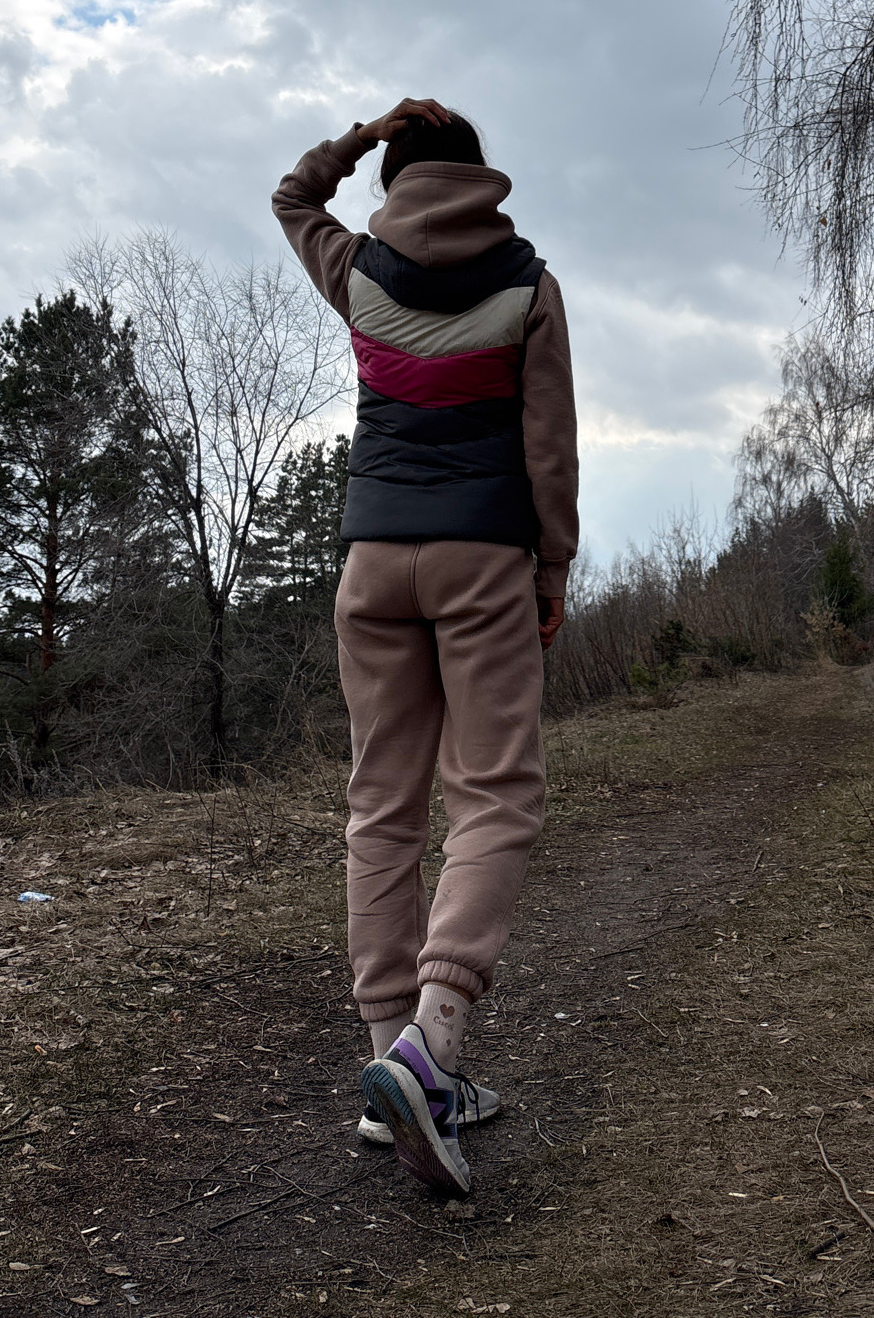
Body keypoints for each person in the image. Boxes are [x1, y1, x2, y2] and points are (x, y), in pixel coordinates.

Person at [271, 96, 578, 1197]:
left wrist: (360, 134)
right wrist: (551, 571)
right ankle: (432, 1047)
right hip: (481, 556)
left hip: (372, 563)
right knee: (493, 794)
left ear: (396, 179)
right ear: (479, 174)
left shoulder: (358, 269)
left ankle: (387, 1066)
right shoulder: (528, 284)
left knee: (382, 806)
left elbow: (291, 196)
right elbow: (550, 447)